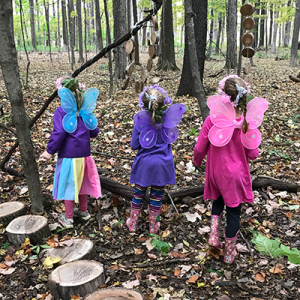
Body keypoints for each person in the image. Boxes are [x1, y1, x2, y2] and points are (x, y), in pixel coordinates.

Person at [193, 75, 268, 263]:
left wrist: (197, 161)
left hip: (216, 172)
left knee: (217, 202)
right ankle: (229, 252)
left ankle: (213, 236)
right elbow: (253, 153)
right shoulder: (245, 122)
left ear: (223, 95)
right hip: (236, 175)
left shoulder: (212, 119)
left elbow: (200, 147)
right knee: (234, 211)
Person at [39, 77, 101, 228]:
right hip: (85, 156)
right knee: (82, 183)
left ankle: (68, 218)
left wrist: (49, 151)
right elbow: (94, 131)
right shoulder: (84, 110)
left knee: (69, 185)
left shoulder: (61, 112)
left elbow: (59, 132)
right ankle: (84, 211)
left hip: (69, 156)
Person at [127, 85, 186, 234]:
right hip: (163, 165)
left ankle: (133, 222)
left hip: (144, 165)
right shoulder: (168, 120)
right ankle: (154, 225)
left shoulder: (140, 121)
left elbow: (134, 145)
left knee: (139, 193)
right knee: (157, 196)